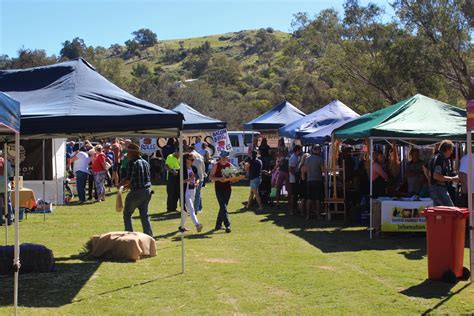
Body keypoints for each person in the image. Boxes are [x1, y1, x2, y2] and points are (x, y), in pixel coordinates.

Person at [119, 143, 153, 236]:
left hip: (136, 192)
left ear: (132, 152)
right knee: (144, 215)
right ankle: (149, 236)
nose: (127, 154)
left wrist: (120, 185)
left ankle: (129, 236)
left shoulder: (132, 162)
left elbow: (128, 178)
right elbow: (141, 178)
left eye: (128, 152)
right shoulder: (145, 162)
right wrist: (128, 185)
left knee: (127, 214)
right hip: (147, 191)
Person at [429, 140, 458, 206]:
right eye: (451, 150)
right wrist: (452, 178)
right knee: (450, 211)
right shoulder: (440, 158)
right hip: (439, 189)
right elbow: (436, 176)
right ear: (447, 149)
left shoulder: (436, 157)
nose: (452, 152)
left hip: (435, 188)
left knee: (440, 212)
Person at [179, 153, 203, 233]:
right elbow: (179, 181)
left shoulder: (194, 168)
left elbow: (197, 178)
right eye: (191, 159)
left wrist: (197, 182)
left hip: (193, 190)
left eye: (193, 159)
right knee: (191, 208)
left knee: (185, 211)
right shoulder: (182, 170)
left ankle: (181, 227)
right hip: (186, 192)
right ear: (186, 160)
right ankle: (197, 224)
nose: (193, 161)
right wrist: (188, 180)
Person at [210, 151, 233, 233]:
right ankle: (227, 225)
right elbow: (211, 177)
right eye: (224, 157)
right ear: (221, 157)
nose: (225, 158)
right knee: (223, 206)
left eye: (226, 157)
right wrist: (219, 179)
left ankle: (218, 225)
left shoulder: (229, 165)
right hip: (219, 188)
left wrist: (233, 178)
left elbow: (233, 175)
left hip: (228, 188)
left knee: (223, 207)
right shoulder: (216, 165)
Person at [305, 145, 324, 220]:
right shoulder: (320, 159)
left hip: (309, 180)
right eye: (320, 150)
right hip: (317, 180)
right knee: (317, 199)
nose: (320, 151)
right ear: (317, 150)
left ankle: (307, 215)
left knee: (309, 199)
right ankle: (318, 216)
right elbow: (323, 171)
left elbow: (306, 170)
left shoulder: (307, 159)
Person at [189, 146, 206, 213]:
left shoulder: (190, 156)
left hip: (193, 176)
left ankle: (195, 209)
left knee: (194, 193)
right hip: (200, 176)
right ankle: (199, 207)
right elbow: (203, 167)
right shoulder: (200, 156)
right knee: (198, 193)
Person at [165, 147, 180, 212]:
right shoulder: (170, 156)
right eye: (179, 153)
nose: (179, 154)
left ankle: (174, 208)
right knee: (171, 192)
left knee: (177, 192)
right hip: (172, 175)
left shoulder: (181, 157)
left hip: (179, 175)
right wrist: (172, 171)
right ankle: (169, 208)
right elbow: (166, 166)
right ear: (176, 151)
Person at [288, 145, 302, 215]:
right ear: (297, 150)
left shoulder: (295, 157)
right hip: (293, 179)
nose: (301, 151)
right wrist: (296, 176)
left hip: (294, 178)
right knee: (293, 195)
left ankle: (294, 209)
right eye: (300, 150)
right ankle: (291, 210)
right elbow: (291, 169)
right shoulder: (293, 158)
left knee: (295, 195)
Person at [0, 152, 13, 225]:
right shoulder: (6, 162)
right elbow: (11, 174)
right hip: (5, 185)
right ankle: (10, 220)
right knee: (8, 203)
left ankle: (0, 221)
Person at [298, 152, 310, 218]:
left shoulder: (301, 165)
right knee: (303, 199)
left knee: (303, 199)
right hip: (304, 183)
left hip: (303, 183)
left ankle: (303, 212)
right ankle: (302, 212)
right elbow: (303, 178)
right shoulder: (303, 167)